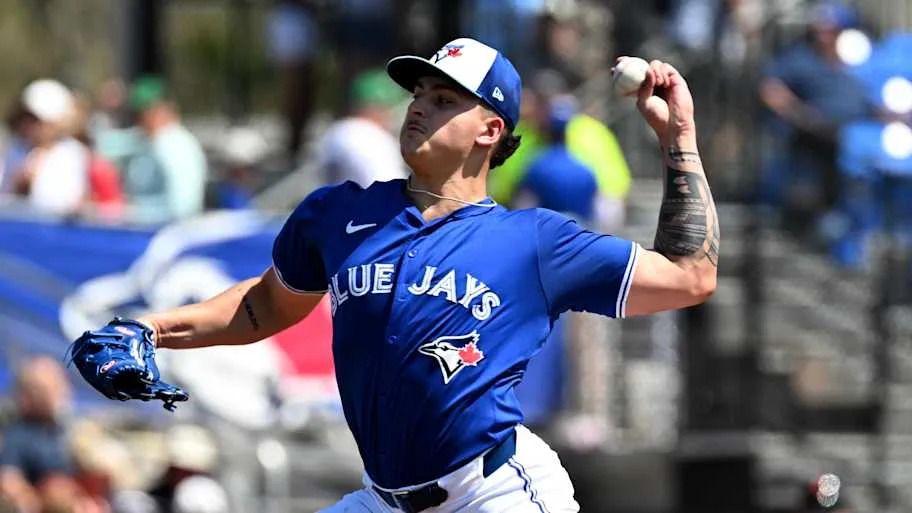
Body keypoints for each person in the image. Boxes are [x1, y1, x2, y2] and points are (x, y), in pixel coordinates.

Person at [75, 38, 719, 512]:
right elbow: (263, 307)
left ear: (490, 130)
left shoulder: (533, 242)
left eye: (444, 100)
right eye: (418, 95)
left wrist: (679, 138)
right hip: (382, 499)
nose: (418, 109)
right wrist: (149, 329)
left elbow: (691, 276)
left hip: (494, 493)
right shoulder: (339, 213)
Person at [124, 76, 208, 224]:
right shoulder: (149, 142)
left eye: (144, 112)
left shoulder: (177, 145)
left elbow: (182, 206)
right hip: (146, 231)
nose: (138, 120)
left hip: (172, 233)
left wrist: (130, 212)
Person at [317, 69, 408, 187]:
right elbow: (386, 188)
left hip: (333, 197)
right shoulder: (374, 138)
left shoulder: (335, 131)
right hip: (365, 197)